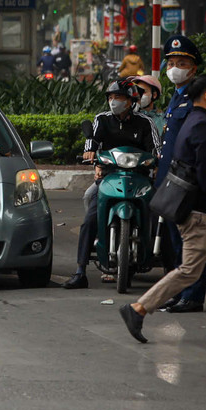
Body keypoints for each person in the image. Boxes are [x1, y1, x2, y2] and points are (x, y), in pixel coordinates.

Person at [119, 75, 206, 344]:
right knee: (190, 270)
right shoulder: (203, 125)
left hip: (202, 211)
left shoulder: (193, 121)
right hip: (198, 213)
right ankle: (138, 309)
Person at [62, 80, 159, 289]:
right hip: (109, 177)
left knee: (159, 212)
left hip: (139, 179)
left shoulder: (145, 123)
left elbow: (156, 148)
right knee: (90, 215)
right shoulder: (102, 120)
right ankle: (80, 270)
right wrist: (90, 152)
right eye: (111, 97)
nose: (114, 102)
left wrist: (157, 159)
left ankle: (160, 254)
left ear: (131, 101)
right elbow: (92, 141)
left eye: (120, 98)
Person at [155, 35, 206, 311]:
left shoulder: (197, 98)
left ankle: (193, 295)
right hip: (171, 179)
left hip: (187, 180)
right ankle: (181, 291)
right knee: (175, 240)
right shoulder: (175, 97)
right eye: (171, 62)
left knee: (190, 242)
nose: (175, 67)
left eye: (182, 62)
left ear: (193, 68)